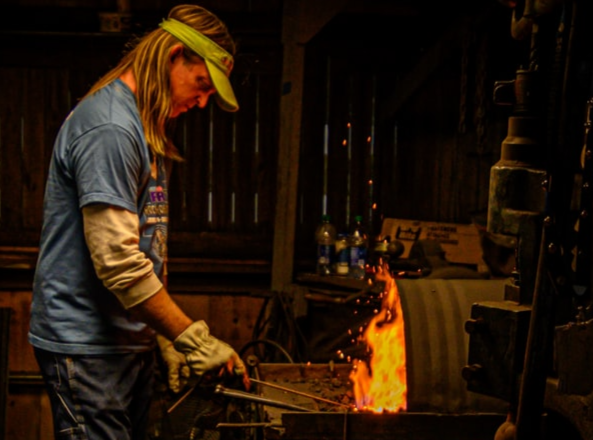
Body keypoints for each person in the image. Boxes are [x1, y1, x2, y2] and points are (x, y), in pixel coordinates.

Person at [28, 4, 246, 439]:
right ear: (173, 56)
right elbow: (116, 260)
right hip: (88, 347)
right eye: (201, 84)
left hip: (125, 342)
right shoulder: (111, 127)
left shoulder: (144, 129)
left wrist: (160, 336)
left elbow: (146, 248)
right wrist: (192, 339)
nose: (202, 102)